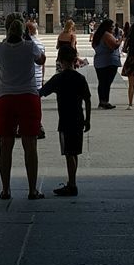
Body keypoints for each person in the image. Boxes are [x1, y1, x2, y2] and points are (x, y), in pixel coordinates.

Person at [0, 17, 46, 200]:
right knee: (30, 146)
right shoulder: (30, 47)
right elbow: (41, 60)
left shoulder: (0, 47)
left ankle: (5, 189)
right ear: (24, 31)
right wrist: (29, 40)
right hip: (28, 98)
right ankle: (32, 189)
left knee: (5, 145)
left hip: (5, 98)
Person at [40, 42, 91, 196]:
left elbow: (41, 92)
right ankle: (71, 181)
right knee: (74, 152)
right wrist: (88, 119)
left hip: (65, 120)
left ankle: (72, 184)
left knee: (69, 153)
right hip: (78, 118)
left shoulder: (58, 78)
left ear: (60, 61)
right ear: (75, 60)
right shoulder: (80, 78)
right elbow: (87, 99)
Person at [91, 17, 122, 109]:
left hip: (99, 61)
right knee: (107, 82)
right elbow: (114, 46)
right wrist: (120, 39)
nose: (113, 28)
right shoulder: (106, 35)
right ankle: (105, 101)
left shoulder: (98, 35)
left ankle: (102, 101)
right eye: (112, 26)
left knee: (102, 82)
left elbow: (94, 46)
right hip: (109, 61)